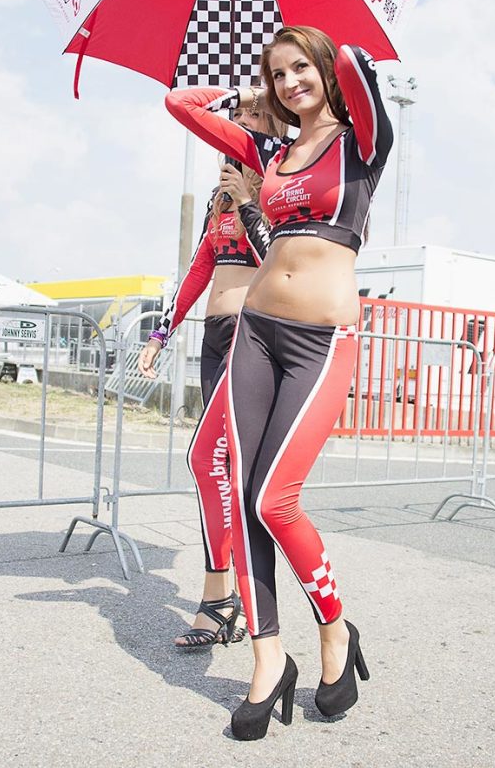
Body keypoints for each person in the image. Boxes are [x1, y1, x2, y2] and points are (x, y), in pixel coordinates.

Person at [166, 25, 391, 739]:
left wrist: (316, 46)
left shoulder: (363, 143)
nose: (289, 83)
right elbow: (180, 102)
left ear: (323, 70)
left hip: (321, 339)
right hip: (255, 331)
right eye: (278, 75)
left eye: (300, 70)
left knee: (274, 497)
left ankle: (335, 629)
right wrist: (248, 91)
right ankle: (268, 657)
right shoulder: (272, 152)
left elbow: (357, 64)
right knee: (239, 487)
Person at [138, 103, 287, 650]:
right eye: (235, 116)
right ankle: (231, 600)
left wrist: (251, 203)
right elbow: (200, 267)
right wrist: (161, 332)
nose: (239, 124)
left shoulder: (278, 186)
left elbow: (277, 259)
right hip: (214, 338)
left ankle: (226, 597)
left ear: (272, 125)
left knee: (210, 459)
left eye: (252, 115)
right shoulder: (219, 198)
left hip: (255, 336)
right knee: (220, 467)